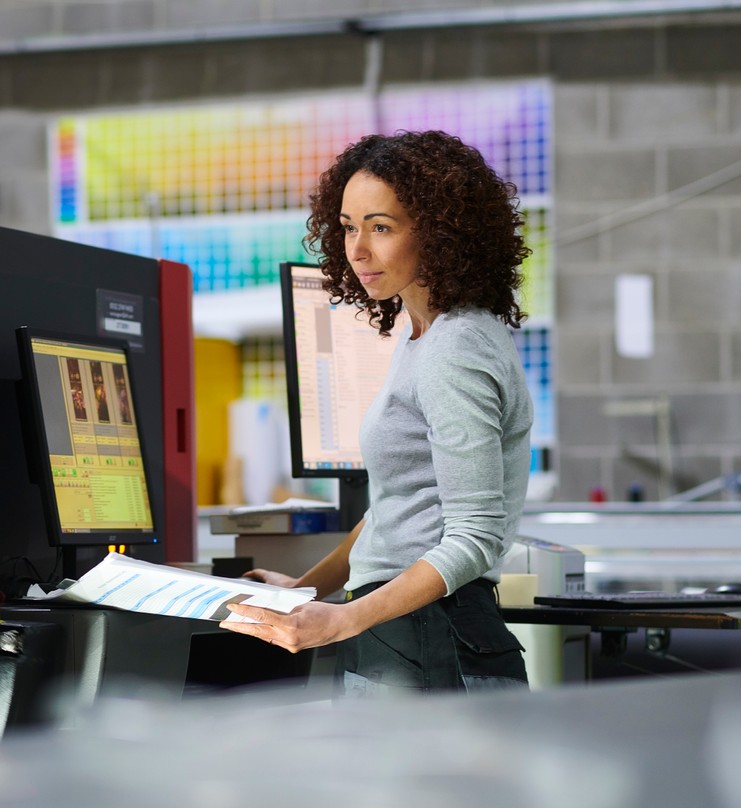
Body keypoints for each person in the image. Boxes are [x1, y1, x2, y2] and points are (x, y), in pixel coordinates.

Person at [220, 131, 533, 696]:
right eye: (347, 226)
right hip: (402, 632)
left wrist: (343, 618)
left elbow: (475, 537)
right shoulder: (424, 337)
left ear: (440, 234)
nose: (357, 248)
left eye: (381, 227)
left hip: (432, 637)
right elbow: (396, 508)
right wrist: (309, 591)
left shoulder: (454, 348)